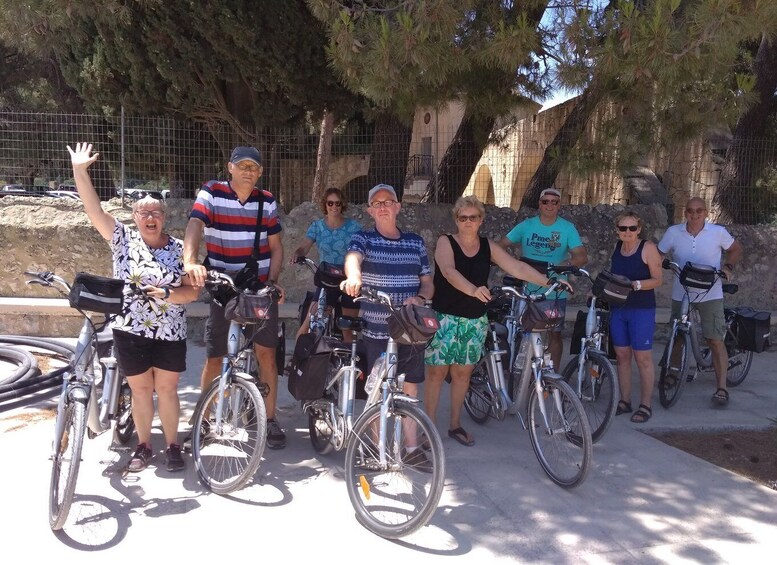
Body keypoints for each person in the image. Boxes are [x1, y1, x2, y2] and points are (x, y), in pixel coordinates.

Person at [68, 142, 200, 472]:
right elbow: (94, 210)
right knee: (141, 391)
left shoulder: (180, 249)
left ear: (164, 216)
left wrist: (167, 296)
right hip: (130, 331)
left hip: (170, 332)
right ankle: (143, 445)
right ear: (135, 217)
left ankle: (171, 446)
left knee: (167, 390)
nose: (150, 218)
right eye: (144, 213)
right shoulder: (123, 240)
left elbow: (191, 293)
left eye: (156, 212)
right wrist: (79, 171)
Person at [424, 196, 572, 446]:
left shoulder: (487, 246)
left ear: (481, 219)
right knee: (437, 374)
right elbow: (449, 272)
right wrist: (473, 289)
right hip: (445, 317)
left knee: (462, 376)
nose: (468, 222)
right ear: (456, 220)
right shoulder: (445, 242)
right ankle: (427, 427)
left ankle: (455, 425)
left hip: (474, 320)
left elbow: (517, 267)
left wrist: (550, 281)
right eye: (463, 218)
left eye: (473, 217)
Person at [183, 146, 287, 448]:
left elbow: (277, 247)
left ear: (260, 172)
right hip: (223, 287)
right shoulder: (212, 192)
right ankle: (202, 421)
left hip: (258, 288)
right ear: (230, 167)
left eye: (254, 167)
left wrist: (274, 281)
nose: (248, 171)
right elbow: (195, 225)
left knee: (267, 354)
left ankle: (269, 419)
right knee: (215, 358)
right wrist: (190, 261)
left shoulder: (266, 201)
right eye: (242, 165)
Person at [340, 183, 432, 414]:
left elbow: (427, 281)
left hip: (411, 328)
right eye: (377, 203)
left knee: (411, 387)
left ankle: (410, 445)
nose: (383, 207)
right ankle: (374, 445)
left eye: (388, 202)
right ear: (370, 210)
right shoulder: (363, 238)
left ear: (398, 207)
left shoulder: (415, 242)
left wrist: (420, 298)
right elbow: (353, 258)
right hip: (377, 329)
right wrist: (353, 277)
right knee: (377, 389)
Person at [658, 197, 743, 406]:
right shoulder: (673, 232)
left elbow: (736, 249)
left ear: (706, 213)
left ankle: (721, 387)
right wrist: (662, 262)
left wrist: (728, 268)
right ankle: (673, 374)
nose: (694, 215)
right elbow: (658, 253)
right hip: (682, 293)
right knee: (677, 336)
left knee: (714, 339)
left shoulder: (718, 232)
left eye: (699, 211)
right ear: (684, 212)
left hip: (710, 294)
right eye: (690, 211)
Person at [500, 187, 588, 370]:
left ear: (559, 205)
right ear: (539, 204)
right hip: (527, 289)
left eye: (554, 202)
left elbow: (581, 256)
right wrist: (509, 262)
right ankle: (523, 372)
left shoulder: (566, 228)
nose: (549, 205)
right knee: (524, 331)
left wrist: (566, 264)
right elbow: (501, 245)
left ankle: (553, 376)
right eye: (545, 201)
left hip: (554, 290)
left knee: (555, 333)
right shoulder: (526, 225)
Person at [607, 212, 663, 424]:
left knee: (643, 358)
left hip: (641, 309)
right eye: (623, 229)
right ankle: (625, 400)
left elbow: (657, 279)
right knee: (622, 356)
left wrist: (636, 285)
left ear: (639, 229)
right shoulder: (617, 248)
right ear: (617, 231)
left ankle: (645, 404)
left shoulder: (647, 248)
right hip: (619, 308)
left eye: (632, 228)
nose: (627, 232)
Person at [291, 187, 361, 341]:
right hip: (326, 278)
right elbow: (305, 245)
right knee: (310, 320)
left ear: (342, 205)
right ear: (325, 205)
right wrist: (299, 254)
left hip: (348, 279)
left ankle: (349, 361)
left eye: (338, 203)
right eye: (330, 203)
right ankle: (297, 360)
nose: (334, 207)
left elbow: (361, 249)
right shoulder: (317, 226)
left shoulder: (354, 227)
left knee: (347, 329)